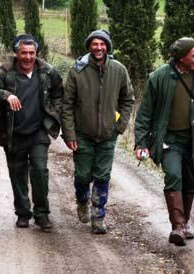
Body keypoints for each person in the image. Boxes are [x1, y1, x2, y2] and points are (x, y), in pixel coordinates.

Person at [133, 37, 194, 246]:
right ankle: (177, 227)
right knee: (174, 175)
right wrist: (141, 143)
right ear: (182, 57)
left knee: (190, 180)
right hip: (168, 140)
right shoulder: (158, 78)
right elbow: (144, 115)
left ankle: (185, 223)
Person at [0, 34, 63, 231]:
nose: (28, 57)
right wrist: (5, 95)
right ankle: (23, 213)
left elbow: (60, 94)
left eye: (31, 53)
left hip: (38, 133)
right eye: (23, 53)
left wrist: (53, 116)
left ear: (36, 53)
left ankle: (42, 214)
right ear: (16, 53)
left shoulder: (47, 72)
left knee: (40, 172)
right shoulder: (5, 72)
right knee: (17, 174)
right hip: (13, 133)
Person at [61, 30, 135, 234]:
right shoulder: (77, 71)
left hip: (107, 136)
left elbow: (128, 99)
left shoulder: (118, 70)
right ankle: (82, 202)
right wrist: (69, 134)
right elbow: (67, 105)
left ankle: (98, 216)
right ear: (89, 47)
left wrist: (119, 126)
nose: (99, 48)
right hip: (82, 134)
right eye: (95, 44)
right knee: (83, 177)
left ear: (108, 47)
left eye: (102, 44)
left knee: (103, 177)